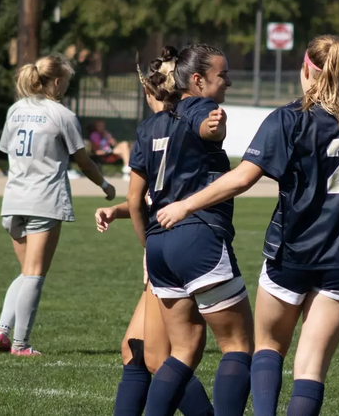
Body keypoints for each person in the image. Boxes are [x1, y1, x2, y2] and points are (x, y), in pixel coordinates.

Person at [157, 34, 339, 416]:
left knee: (268, 348)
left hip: (293, 252)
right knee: (311, 367)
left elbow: (243, 177)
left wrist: (186, 204)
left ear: (307, 71)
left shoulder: (289, 118)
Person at [127, 44, 253, 416]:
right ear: (197, 81)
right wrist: (214, 126)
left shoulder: (149, 126)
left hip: (160, 245)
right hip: (197, 236)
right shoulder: (199, 106)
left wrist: (147, 246)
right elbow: (207, 124)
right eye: (222, 74)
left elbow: (136, 202)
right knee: (238, 345)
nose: (228, 80)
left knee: (181, 352)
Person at [96, 52, 220, 416]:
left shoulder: (160, 129)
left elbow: (143, 201)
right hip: (180, 244)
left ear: (152, 92)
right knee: (134, 349)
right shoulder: (173, 128)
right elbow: (149, 200)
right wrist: (116, 211)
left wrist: (148, 247)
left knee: (156, 357)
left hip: (167, 250)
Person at [0, 54, 116, 357]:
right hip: (43, 199)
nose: (67, 88)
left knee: (25, 272)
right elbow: (82, 160)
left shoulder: (15, 110)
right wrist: (104, 184)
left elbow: (9, 151)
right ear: (57, 81)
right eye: (67, 82)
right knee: (35, 273)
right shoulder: (62, 114)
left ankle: (2, 330)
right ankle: (21, 345)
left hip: (13, 200)